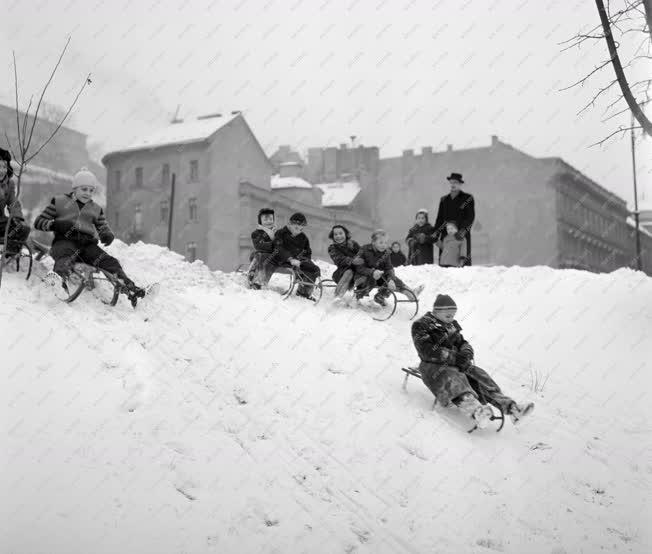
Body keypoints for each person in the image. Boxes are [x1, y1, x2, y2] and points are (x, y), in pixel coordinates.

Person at [411, 294, 534, 429]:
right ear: (436, 312)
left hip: (455, 363)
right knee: (453, 377)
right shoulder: (421, 325)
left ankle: (512, 408)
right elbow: (428, 351)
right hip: (432, 366)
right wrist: (455, 357)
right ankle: (476, 411)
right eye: (448, 316)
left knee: (480, 376)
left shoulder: (450, 325)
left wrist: (466, 352)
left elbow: (462, 342)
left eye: (453, 315)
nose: (451, 319)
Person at [34, 167, 146, 302]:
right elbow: (39, 222)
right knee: (65, 257)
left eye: (91, 190)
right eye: (84, 189)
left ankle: (130, 288)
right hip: (64, 242)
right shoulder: (59, 202)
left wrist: (107, 234)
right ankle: (58, 284)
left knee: (109, 261)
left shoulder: (95, 208)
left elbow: (102, 226)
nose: (88, 193)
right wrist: (54, 224)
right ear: (75, 188)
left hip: (86, 246)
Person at [259, 212, 321, 300]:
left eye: (301, 228)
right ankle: (259, 282)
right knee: (266, 259)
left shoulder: (303, 238)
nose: (299, 229)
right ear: (289, 224)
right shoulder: (281, 233)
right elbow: (278, 247)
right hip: (278, 259)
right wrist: (290, 258)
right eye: (296, 227)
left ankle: (304, 292)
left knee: (311, 268)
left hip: (294, 263)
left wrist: (305, 262)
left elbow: (307, 253)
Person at [353, 229, 422, 306]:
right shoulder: (364, 249)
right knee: (372, 279)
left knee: (393, 280)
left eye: (385, 242)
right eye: (381, 242)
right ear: (373, 242)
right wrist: (372, 272)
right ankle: (357, 296)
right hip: (364, 276)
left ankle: (410, 294)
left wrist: (391, 279)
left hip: (379, 276)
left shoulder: (386, 252)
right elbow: (358, 267)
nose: (384, 245)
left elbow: (389, 268)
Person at [433, 173, 475, 266]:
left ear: (460, 184)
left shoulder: (468, 198)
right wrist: (436, 232)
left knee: (462, 264)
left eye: (455, 182)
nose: (453, 184)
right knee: (446, 265)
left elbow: (470, 217)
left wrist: (462, 232)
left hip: (461, 237)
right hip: (446, 235)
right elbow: (439, 218)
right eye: (451, 182)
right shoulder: (444, 200)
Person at [0, 148, 30, 257]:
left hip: (1, 222)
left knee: (23, 228)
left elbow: (13, 204)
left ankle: (8, 257)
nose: (2, 171)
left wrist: (17, 218)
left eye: (4, 167)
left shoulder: (9, 184)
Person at [327, 224, 360, 298]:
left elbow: (362, 254)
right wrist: (353, 261)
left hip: (358, 272)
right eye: (335, 234)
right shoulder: (332, 248)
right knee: (349, 272)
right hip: (342, 272)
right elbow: (339, 260)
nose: (338, 236)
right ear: (333, 236)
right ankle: (337, 296)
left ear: (346, 234)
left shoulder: (353, 244)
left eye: (341, 233)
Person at [248, 207, 276, 289]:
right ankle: (257, 280)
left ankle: (259, 280)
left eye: (271, 219)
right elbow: (259, 245)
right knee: (260, 255)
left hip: (275, 256)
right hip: (262, 255)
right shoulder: (256, 233)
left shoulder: (277, 232)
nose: (269, 221)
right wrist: (274, 244)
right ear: (260, 221)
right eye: (266, 219)